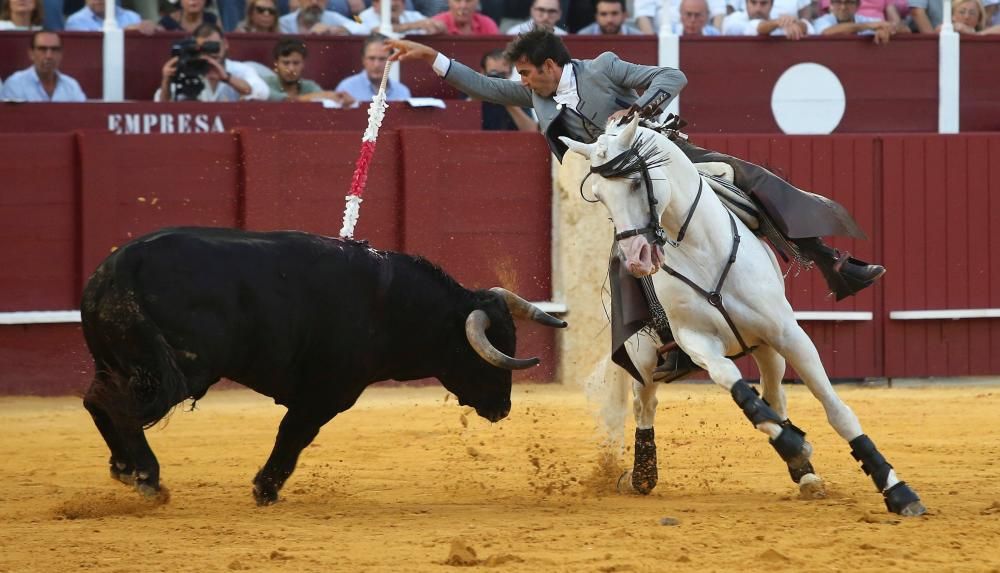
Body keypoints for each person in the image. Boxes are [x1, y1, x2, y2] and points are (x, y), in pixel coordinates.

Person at [386, 30, 885, 382]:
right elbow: (483, 86)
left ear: (550, 67)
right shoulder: (535, 96)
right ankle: (669, 343)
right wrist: (427, 54)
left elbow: (673, 74)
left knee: (750, 180)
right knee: (627, 265)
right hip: (624, 191)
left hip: (663, 160)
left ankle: (832, 262)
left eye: (526, 72)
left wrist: (638, 110)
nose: (520, 80)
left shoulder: (603, 68)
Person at [155, 22, 269, 102]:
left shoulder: (240, 69)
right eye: (205, 47)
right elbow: (161, 105)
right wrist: (166, 80)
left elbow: (263, 93)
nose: (212, 52)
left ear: (225, 44)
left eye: (215, 46)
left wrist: (227, 78)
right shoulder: (188, 69)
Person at [0, 31, 86, 101]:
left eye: (54, 49)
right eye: (42, 49)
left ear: (61, 54)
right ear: (31, 53)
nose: (49, 56)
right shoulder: (16, 84)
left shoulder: (71, 86)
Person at [266, 37, 355, 104]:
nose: (291, 69)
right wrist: (323, 96)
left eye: (296, 63)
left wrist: (340, 99)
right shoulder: (265, 83)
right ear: (276, 64)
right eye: (286, 63)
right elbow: (287, 100)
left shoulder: (310, 86)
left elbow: (326, 100)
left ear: (303, 64)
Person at [334, 33, 412, 103]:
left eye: (382, 59)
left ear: (392, 61)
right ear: (363, 60)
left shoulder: (402, 92)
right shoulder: (347, 88)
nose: (376, 65)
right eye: (371, 58)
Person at [479, 48, 537, 132]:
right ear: (483, 73)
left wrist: (509, 101)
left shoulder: (517, 96)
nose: (498, 79)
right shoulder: (473, 91)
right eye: (493, 74)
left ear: (510, 74)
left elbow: (532, 131)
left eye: (502, 74)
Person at [814, 0, 900, 41]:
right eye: (838, 2)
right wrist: (869, 26)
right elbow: (827, 32)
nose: (843, 7)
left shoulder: (865, 20)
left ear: (857, 5)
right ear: (831, 4)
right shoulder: (822, 20)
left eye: (849, 2)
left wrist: (888, 29)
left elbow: (905, 29)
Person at [723, 0, 814, 38]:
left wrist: (795, 22)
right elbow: (757, 27)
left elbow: (809, 28)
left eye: (763, 3)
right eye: (753, 2)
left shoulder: (777, 22)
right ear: (746, 3)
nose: (758, 9)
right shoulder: (733, 20)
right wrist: (778, 22)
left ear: (771, 5)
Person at [65, 0, 157, 33]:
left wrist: (152, 28)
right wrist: (125, 31)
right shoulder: (75, 21)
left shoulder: (132, 17)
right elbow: (91, 46)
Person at [358, 0, 445, 34]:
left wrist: (434, 28)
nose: (392, 3)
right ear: (375, 4)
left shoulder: (413, 15)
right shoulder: (364, 16)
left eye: (396, 0)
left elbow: (439, 26)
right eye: (387, 1)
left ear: (403, 4)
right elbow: (376, 31)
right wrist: (413, 26)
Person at [635, 0, 727, 32]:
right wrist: (654, 46)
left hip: (703, 36)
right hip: (662, 39)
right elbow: (643, 16)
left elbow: (718, 12)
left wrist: (713, 43)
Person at [279, 0, 367, 33]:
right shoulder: (283, 22)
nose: (314, 2)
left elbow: (363, 28)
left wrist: (336, 29)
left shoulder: (332, 17)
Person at [576, 0, 643, 35]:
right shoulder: (583, 37)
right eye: (603, 14)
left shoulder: (640, 39)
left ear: (624, 15)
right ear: (596, 17)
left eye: (614, 13)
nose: (609, 20)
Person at [431, 0, 499, 34]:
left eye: (468, 0)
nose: (463, 6)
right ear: (448, 1)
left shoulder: (488, 24)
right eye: (457, 0)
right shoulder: (435, 23)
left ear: (478, 1)